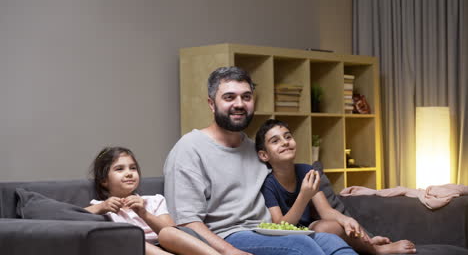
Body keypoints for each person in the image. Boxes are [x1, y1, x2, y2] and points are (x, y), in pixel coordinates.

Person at [163, 66, 357, 255]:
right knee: (300, 245)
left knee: (331, 241)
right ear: (211, 104)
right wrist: (229, 251)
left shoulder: (255, 150)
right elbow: (186, 223)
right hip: (227, 236)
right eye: (229, 97)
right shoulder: (189, 149)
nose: (239, 104)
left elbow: (288, 187)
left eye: (246, 97)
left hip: (272, 231)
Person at [254, 119, 417, 255]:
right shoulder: (268, 183)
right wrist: (304, 196)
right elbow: (280, 224)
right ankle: (375, 250)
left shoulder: (307, 171)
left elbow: (326, 211)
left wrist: (346, 219)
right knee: (322, 229)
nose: (284, 142)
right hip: (288, 237)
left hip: (311, 230)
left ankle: (368, 244)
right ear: (264, 155)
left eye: (287, 137)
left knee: (328, 225)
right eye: (275, 141)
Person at [85, 146, 221, 255]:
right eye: (119, 169)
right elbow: (73, 216)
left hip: (172, 246)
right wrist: (101, 206)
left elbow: (173, 231)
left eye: (133, 168)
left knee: (167, 233)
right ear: (103, 180)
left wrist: (144, 213)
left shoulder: (154, 200)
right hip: (139, 249)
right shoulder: (102, 207)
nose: (129, 173)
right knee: (135, 241)